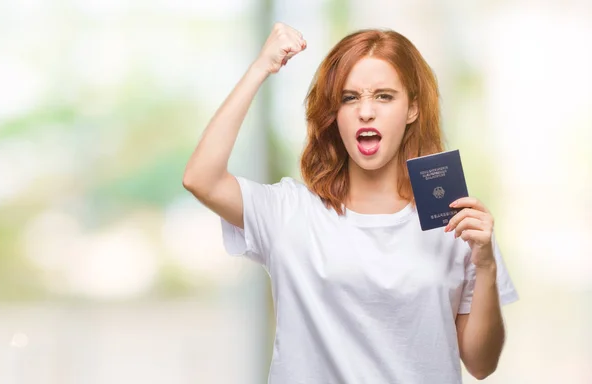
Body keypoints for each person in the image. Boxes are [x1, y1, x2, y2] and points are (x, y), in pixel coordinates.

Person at [183, 22, 518, 384]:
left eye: (384, 96)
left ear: (412, 110)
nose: (366, 112)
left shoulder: (454, 221)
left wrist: (485, 265)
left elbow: (481, 365)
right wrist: (260, 66)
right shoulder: (290, 212)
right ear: (334, 113)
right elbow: (200, 178)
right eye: (349, 97)